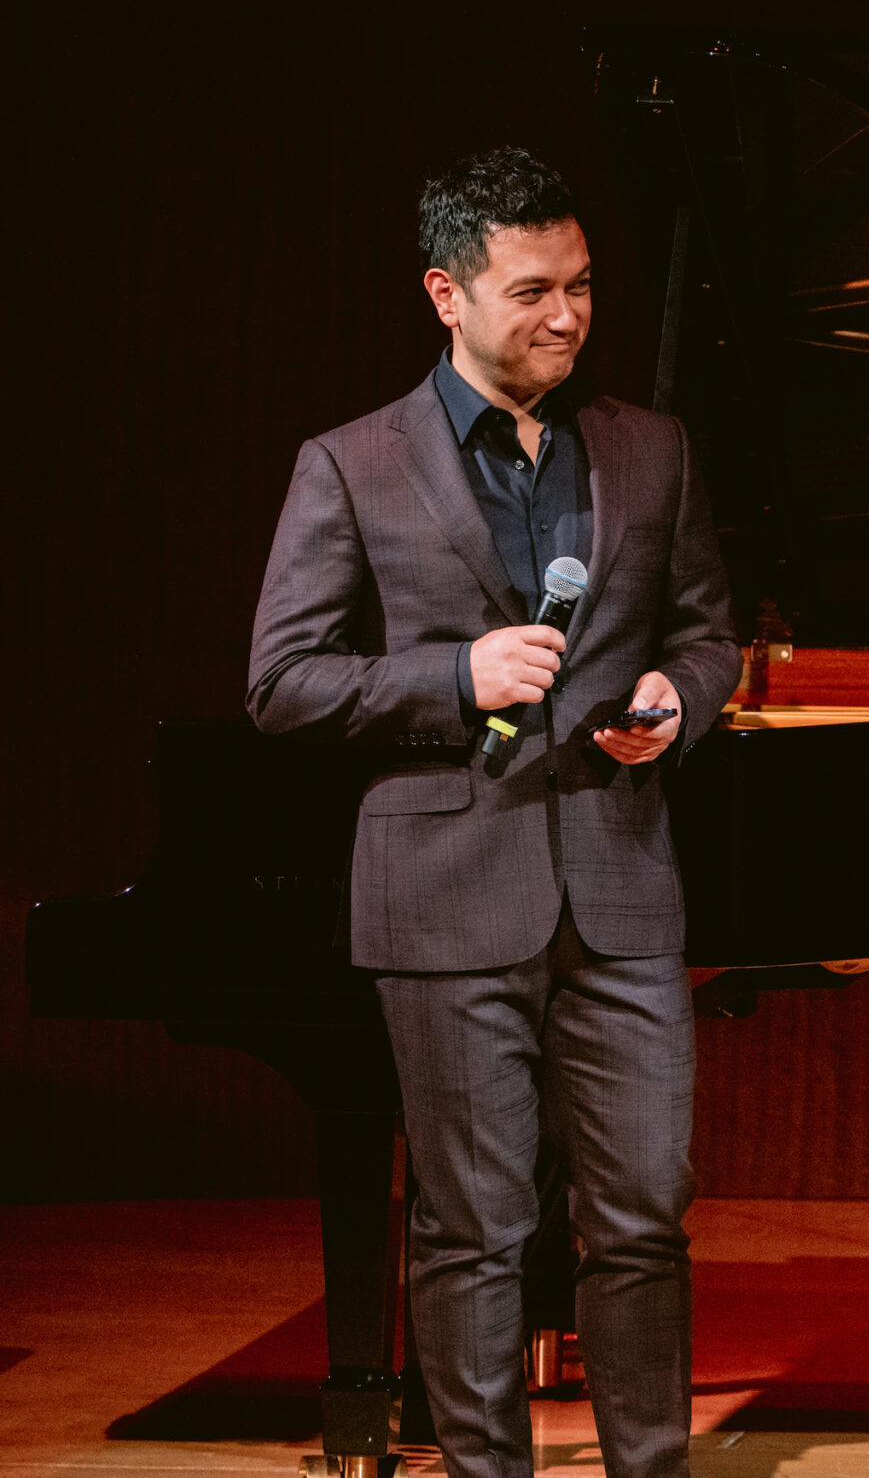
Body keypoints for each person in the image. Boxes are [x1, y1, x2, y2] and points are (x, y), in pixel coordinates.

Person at [247, 148, 738, 1478]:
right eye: (532, 291)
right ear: (445, 294)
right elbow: (282, 682)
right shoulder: (350, 464)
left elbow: (707, 634)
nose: (568, 316)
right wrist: (452, 676)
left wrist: (674, 697)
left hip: (621, 881)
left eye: (580, 287)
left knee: (642, 1215)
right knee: (475, 1225)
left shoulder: (651, 449)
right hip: (449, 890)